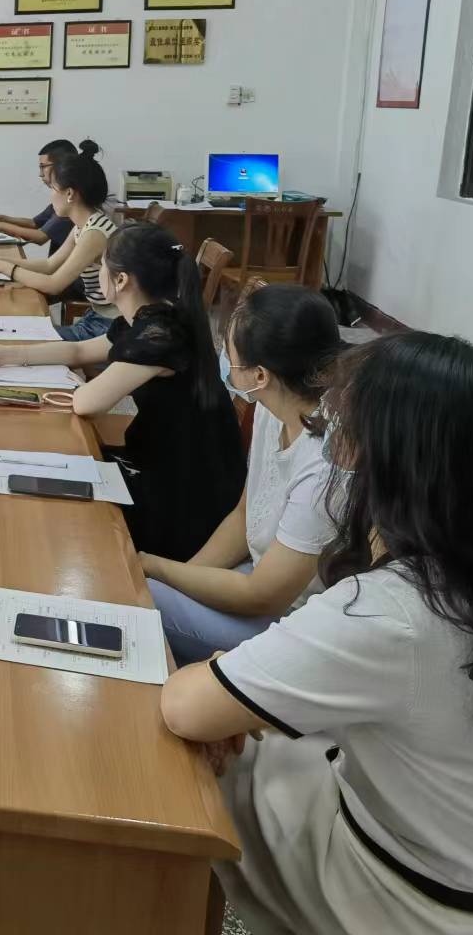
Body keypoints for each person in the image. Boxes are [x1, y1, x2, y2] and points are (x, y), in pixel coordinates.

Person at [161, 332, 473, 935]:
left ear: (382, 460)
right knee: (262, 733)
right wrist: (241, 694)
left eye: (341, 428)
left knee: (206, 763)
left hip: (432, 910)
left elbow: (185, 707)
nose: (331, 442)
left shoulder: (387, 610)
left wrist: (225, 691)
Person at [0, 222, 244, 559]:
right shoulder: (151, 319)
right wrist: (9, 355)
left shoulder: (160, 335)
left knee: (55, 520)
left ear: (121, 280)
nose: (98, 271)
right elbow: (79, 351)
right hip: (168, 461)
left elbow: (87, 402)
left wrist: (79, 386)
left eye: (101, 264)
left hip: (182, 496)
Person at [141, 284, 345, 664]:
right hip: (255, 578)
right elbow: (244, 515)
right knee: (146, 588)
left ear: (260, 375)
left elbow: (262, 596)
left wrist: (156, 567)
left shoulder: (324, 462)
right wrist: (179, 576)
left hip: (294, 623)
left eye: (230, 354)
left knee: (137, 600)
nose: (224, 359)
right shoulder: (273, 407)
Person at [0, 142, 118, 338]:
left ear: (69, 194)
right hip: (95, 316)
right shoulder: (83, 226)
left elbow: (54, 284)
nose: (51, 196)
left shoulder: (94, 233)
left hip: (109, 325)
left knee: (23, 338)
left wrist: (3, 267)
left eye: (53, 188)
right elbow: (49, 265)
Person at [0, 138, 76, 251]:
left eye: (43, 167)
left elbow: (40, 237)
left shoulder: (71, 200)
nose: (40, 174)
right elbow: (34, 223)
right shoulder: (62, 197)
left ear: (61, 166)